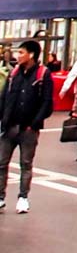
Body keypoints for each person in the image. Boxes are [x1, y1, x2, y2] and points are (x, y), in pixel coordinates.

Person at [0, 41, 54, 214]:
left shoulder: (43, 74)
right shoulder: (14, 73)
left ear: (31, 55)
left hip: (28, 128)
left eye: (21, 52)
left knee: (26, 164)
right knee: (1, 163)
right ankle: (0, 197)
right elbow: (4, 97)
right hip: (10, 126)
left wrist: (35, 123)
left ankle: (23, 198)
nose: (18, 55)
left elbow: (47, 102)